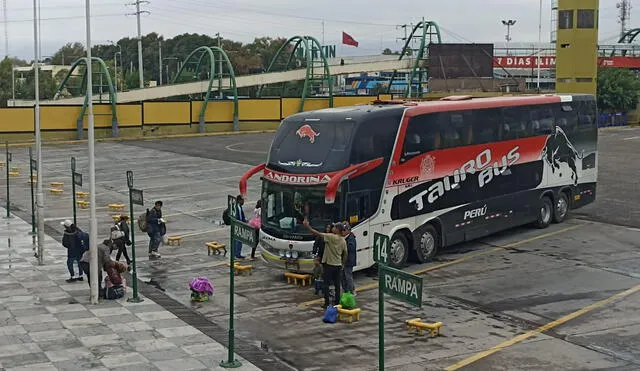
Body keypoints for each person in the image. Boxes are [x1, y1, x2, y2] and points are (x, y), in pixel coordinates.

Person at [303, 219, 347, 308]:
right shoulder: (343, 240)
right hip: (338, 265)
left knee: (326, 284)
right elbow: (345, 254)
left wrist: (307, 226)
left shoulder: (331, 237)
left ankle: (327, 303)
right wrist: (343, 264)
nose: (332, 228)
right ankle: (337, 303)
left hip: (329, 265)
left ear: (337, 229)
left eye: (334, 227)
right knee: (337, 285)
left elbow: (317, 233)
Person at [341, 222, 357, 294]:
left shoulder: (351, 238)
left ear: (348, 230)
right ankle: (346, 290)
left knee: (348, 276)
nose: (343, 231)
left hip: (349, 261)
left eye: (344, 230)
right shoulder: (344, 238)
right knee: (343, 276)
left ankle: (351, 290)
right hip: (343, 261)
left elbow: (351, 249)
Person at [234, 195, 247, 259]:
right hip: (237, 225)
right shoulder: (236, 207)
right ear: (239, 200)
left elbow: (242, 216)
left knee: (238, 240)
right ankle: (237, 254)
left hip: (241, 224)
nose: (243, 202)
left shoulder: (240, 207)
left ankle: (237, 253)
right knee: (238, 240)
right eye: (243, 200)